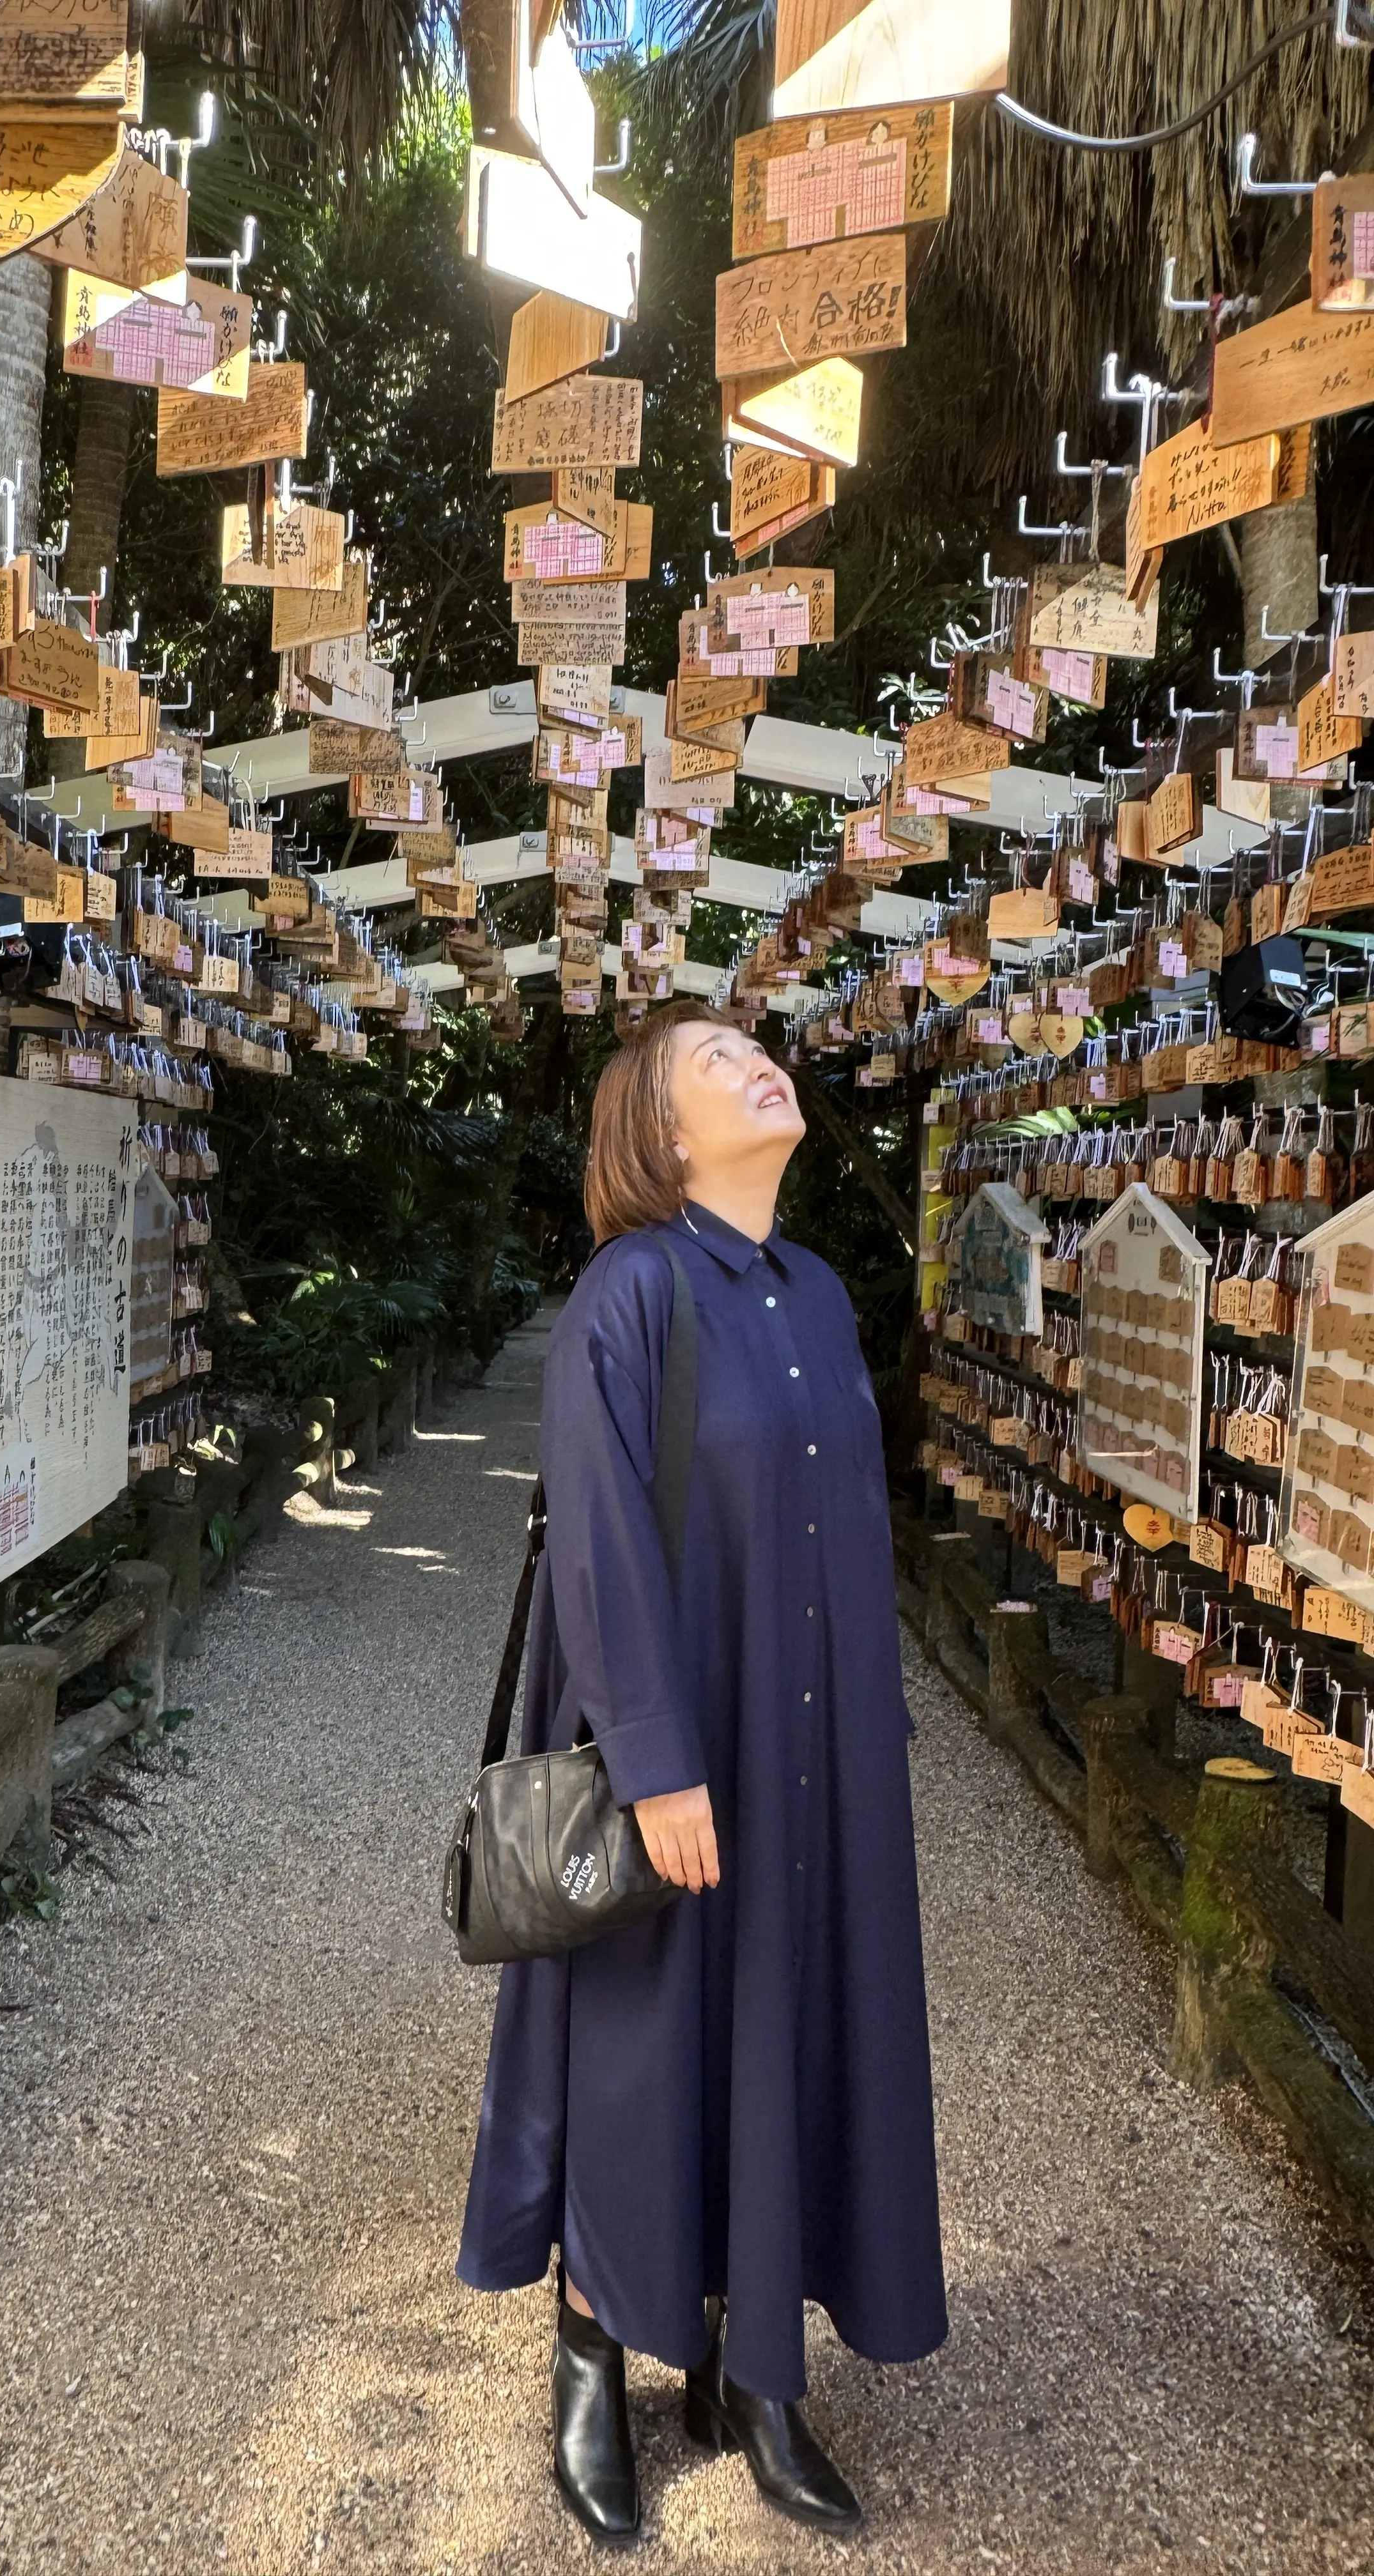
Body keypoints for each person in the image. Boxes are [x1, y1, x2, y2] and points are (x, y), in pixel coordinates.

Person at [457, 1001, 947, 2542]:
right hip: (678, 1729)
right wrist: (660, 1768)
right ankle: (593, 2346)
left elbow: (850, 1540)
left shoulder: (816, 1294)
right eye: (711, 1060)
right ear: (665, 1138)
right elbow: (597, 1540)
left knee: (791, 2020)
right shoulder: (633, 1291)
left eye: (757, 1044)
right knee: (646, 2030)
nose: (755, 1062)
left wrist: (870, 1735)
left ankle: (756, 2372)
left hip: (816, 1740)